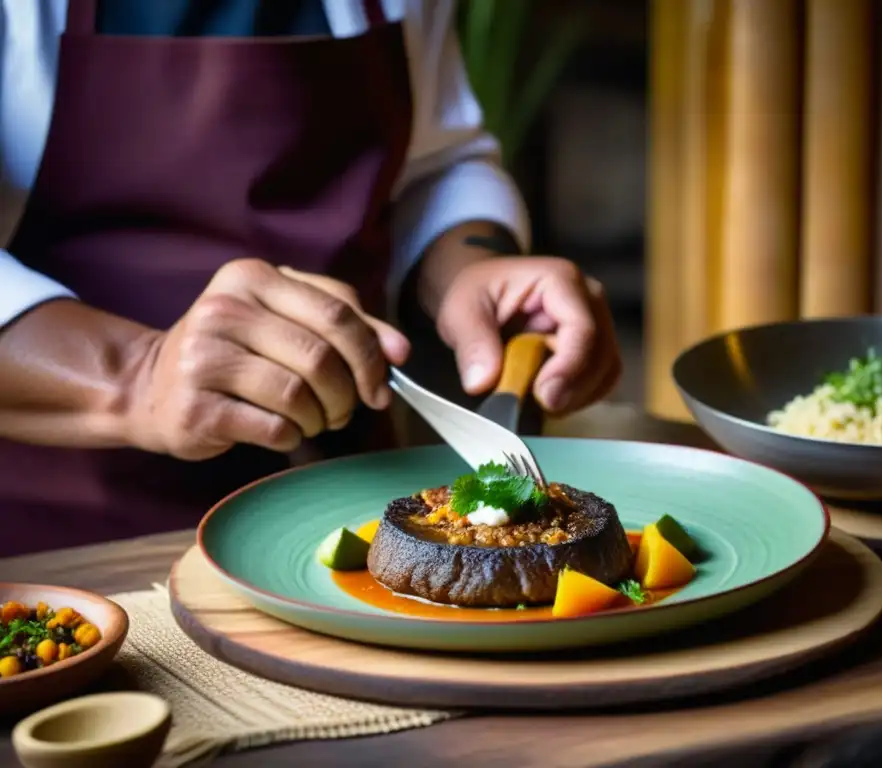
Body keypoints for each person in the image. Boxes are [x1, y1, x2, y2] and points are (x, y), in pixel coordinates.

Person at [0, 0, 621, 557]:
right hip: (72, 551)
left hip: (350, 514)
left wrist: (472, 266)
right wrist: (140, 376)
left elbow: (437, 161)